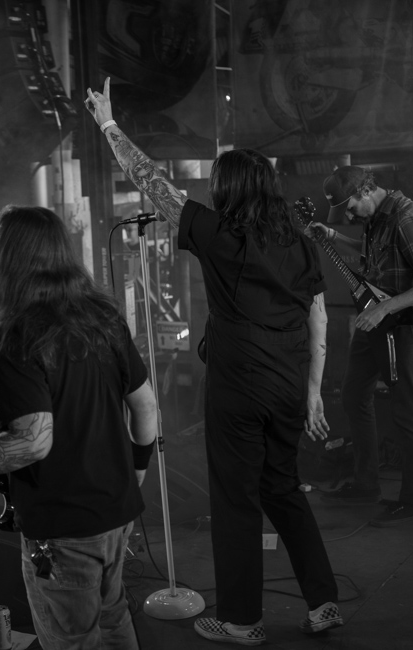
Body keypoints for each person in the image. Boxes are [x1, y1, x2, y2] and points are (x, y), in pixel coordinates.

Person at [86, 77, 341, 646]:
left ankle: (242, 622)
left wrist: (108, 125)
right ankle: (325, 602)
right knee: (284, 489)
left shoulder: (220, 233)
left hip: (238, 385)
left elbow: (152, 183)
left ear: (229, 190)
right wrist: (315, 390)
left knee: (235, 500)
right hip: (288, 383)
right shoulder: (300, 242)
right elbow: (320, 319)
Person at [0, 206, 158, 650]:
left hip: (64, 526)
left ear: (5, 259)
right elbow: (145, 404)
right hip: (118, 509)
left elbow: (33, 441)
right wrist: (136, 469)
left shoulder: (18, 335)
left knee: (71, 639)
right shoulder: (102, 317)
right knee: (114, 617)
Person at [304, 165, 413, 526]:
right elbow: (371, 253)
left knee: (406, 409)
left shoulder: (405, 217)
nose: (349, 215)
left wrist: (385, 306)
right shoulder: (377, 217)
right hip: (377, 320)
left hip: (403, 324)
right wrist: (333, 235)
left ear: (366, 189)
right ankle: (366, 484)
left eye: (350, 207)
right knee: (353, 394)